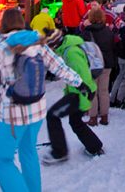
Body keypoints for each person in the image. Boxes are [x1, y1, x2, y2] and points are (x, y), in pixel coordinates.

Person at [0, 9, 83, 192]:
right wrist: (79, 82)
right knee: (28, 152)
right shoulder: (39, 43)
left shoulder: (2, 48)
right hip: (37, 110)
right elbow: (60, 67)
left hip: (13, 115)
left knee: (1, 161)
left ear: (3, 25)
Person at [44, 29, 105, 162]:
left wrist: (84, 99)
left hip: (81, 94)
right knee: (75, 122)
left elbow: (83, 76)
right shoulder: (68, 47)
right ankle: (95, 147)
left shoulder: (71, 53)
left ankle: (62, 151)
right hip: (79, 92)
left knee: (55, 116)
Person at [82, 8, 115, 126]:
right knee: (104, 91)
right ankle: (105, 116)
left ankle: (93, 117)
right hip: (107, 64)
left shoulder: (86, 32)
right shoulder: (108, 31)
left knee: (93, 91)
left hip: (93, 65)